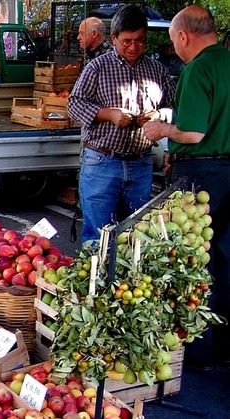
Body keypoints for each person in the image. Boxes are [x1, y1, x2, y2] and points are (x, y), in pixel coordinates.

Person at [143, 5, 230, 370]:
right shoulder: (226, 61)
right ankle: (224, 345)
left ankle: (199, 351)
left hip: (204, 176)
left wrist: (162, 131)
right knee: (226, 257)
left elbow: (193, 133)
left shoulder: (198, 69)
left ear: (182, 36)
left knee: (194, 260)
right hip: (228, 170)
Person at [68, 5, 175, 243]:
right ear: (114, 37)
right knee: (97, 235)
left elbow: (172, 107)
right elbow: (74, 104)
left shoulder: (157, 70)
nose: (134, 47)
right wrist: (108, 114)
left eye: (140, 41)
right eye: (127, 41)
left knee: (136, 235)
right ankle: (96, 280)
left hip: (140, 163)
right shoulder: (97, 67)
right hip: (102, 162)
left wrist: (159, 116)